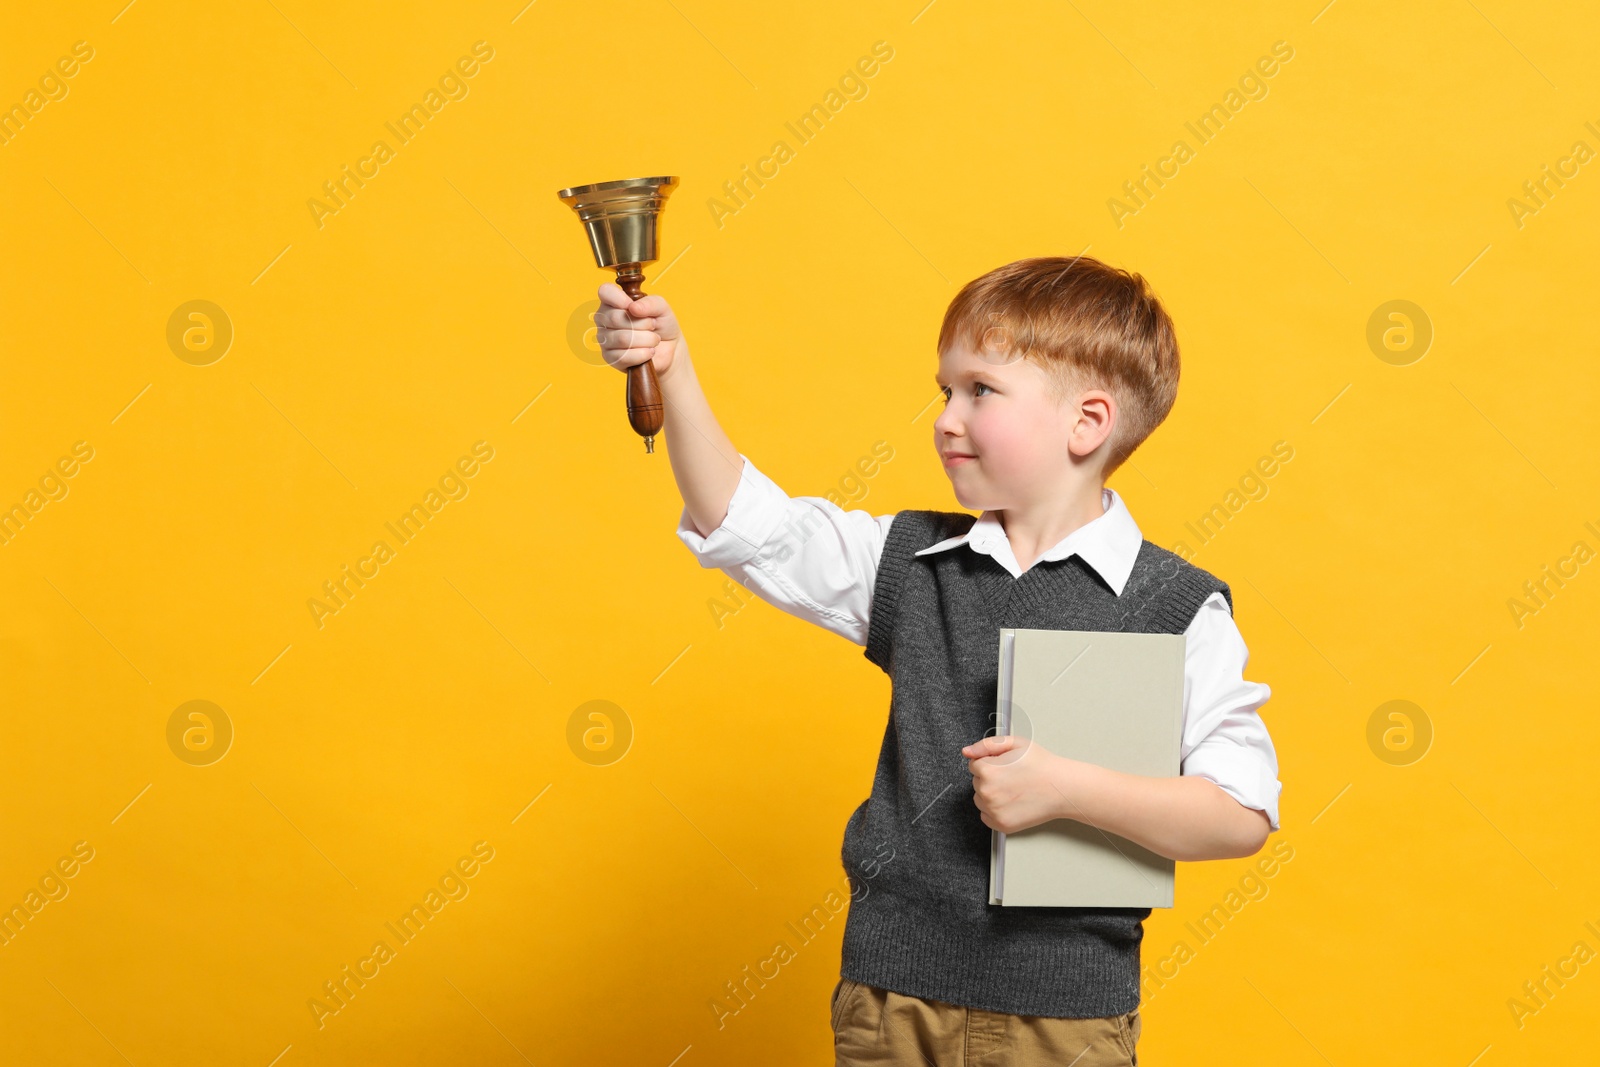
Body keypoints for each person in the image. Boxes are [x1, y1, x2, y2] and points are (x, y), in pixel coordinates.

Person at [594, 255, 1282, 1066]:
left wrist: (1065, 788)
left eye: (979, 391)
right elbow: (748, 523)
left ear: (1087, 422)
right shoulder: (914, 563)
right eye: (944, 390)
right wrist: (671, 372)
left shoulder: (1176, 606)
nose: (945, 418)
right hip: (891, 1005)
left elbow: (1241, 811)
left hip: (1066, 1025)